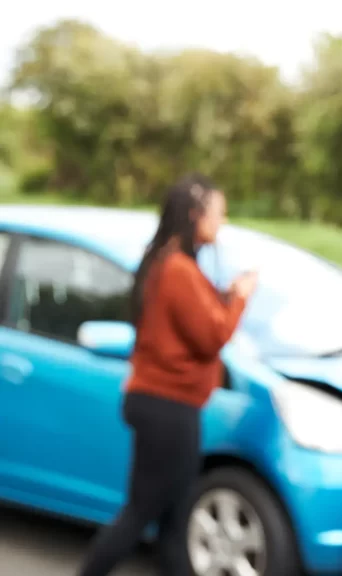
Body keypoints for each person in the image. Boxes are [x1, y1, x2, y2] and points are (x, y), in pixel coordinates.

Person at [80, 174, 258, 576]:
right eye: (218, 212)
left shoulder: (168, 262)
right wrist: (241, 297)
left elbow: (195, 321)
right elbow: (211, 337)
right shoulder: (177, 269)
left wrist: (226, 297)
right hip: (167, 406)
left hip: (166, 404)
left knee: (175, 519)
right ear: (195, 215)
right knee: (144, 510)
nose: (223, 221)